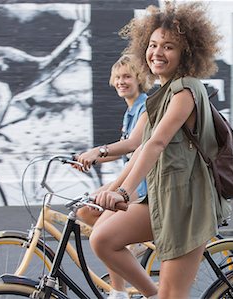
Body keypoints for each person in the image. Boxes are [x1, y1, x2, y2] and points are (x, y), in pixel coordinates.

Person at [89, 2, 228, 298]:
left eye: (168, 47)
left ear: (186, 52)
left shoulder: (186, 89)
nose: (157, 52)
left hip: (187, 203)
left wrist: (124, 194)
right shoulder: (159, 96)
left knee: (173, 294)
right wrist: (114, 188)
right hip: (161, 195)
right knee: (102, 238)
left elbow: (157, 143)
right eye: (152, 45)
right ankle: (151, 294)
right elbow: (139, 150)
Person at [74, 54, 151, 299]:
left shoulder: (146, 106)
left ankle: (124, 259)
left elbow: (133, 145)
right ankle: (119, 289)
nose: (121, 81)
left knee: (100, 227)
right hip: (132, 180)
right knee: (85, 211)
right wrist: (88, 157)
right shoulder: (130, 111)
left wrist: (99, 151)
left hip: (142, 184)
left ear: (139, 79)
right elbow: (120, 149)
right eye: (117, 77)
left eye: (127, 76)